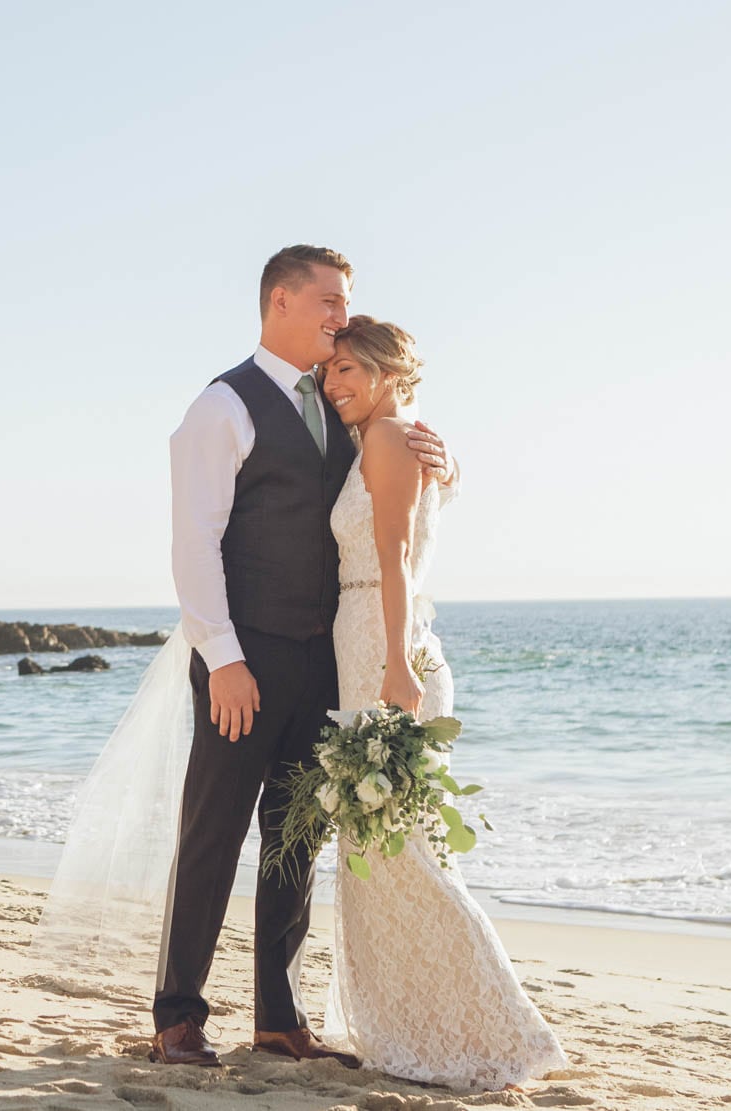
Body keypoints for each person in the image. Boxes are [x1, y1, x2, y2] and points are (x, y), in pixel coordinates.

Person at [151, 245, 449, 1068]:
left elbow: (391, 490)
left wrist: (444, 459)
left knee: (294, 838)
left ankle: (277, 1020)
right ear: (279, 300)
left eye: (345, 304)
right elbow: (194, 544)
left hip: (322, 661)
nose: (339, 316)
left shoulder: (343, 405)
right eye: (328, 300)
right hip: (244, 660)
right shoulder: (224, 404)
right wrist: (223, 657)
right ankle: (177, 1015)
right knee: (211, 833)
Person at [317, 314, 566, 1089]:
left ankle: (499, 1031)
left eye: (350, 369)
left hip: (385, 645)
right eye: (330, 373)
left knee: (410, 853)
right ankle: (413, 1029)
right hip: (364, 636)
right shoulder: (382, 440)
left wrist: (396, 663)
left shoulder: (392, 439)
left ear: (389, 372)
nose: (335, 384)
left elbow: (394, 556)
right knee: (378, 851)